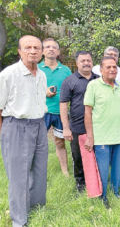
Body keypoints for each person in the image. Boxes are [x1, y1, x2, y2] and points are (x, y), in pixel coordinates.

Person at [0, 35, 48, 227]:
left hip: (39, 125)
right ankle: (19, 221)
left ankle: (36, 209)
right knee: (18, 176)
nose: (33, 51)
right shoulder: (8, 75)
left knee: (39, 170)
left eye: (37, 48)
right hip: (16, 127)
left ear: (42, 52)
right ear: (19, 51)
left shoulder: (42, 75)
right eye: (28, 47)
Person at [84, 56, 120, 207]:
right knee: (102, 170)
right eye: (108, 67)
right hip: (101, 136)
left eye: (114, 67)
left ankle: (115, 191)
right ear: (101, 70)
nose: (112, 69)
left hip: (118, 136)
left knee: (118, 168)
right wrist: (90, 136)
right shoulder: (93, 86)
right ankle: (102, 196)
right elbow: (87, 112)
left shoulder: (119, 86)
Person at [60, 51, 99, 192]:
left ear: (92, 62)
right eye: (82, 61)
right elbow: (63, 104)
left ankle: (97, 181)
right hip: (77, 125)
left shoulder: (99, 79)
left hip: (98, 125)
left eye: (88, 60)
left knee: (97, 154)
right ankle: (81, 184)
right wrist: (66, 128)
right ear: (77, 63)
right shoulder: (69, 81)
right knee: (78, 156)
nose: (86, 63)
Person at [38, 38, 72, 176]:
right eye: (47, 47)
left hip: (60, 112)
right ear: (42, 51)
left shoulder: (65, 70)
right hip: (41, 112)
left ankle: (65, 172)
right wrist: (43, 92)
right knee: (38, 144)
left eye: (54, 47)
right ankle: (37, 172)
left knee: (60, 142)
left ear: (58, 52)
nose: (51, 49)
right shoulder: (37, 68)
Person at [92, 46, 120, 116]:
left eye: (115, 55)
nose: (113, 57)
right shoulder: (95, 69)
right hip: (100, 108)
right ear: (104, 55)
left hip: (117, 108)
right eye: (110, 54)